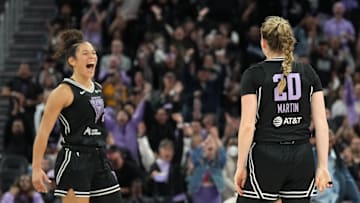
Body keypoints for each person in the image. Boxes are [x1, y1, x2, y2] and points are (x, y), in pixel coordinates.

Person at [234, 16, 332, 203]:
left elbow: (247, 125)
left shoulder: (254, 74)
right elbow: (321, 123)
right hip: (301, 157)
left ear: (263, 43)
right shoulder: (308, 72)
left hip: (266, 157)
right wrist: (323, 166)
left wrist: (241, 166)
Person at [31, 29, 121, 203]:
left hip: (99, 157)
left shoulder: (98, 88)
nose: (92, 57)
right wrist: (36, 168)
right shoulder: (63, 91)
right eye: (85, 53)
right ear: (72, 61)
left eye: (94, 53)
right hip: (74, 160)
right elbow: (43, 132)